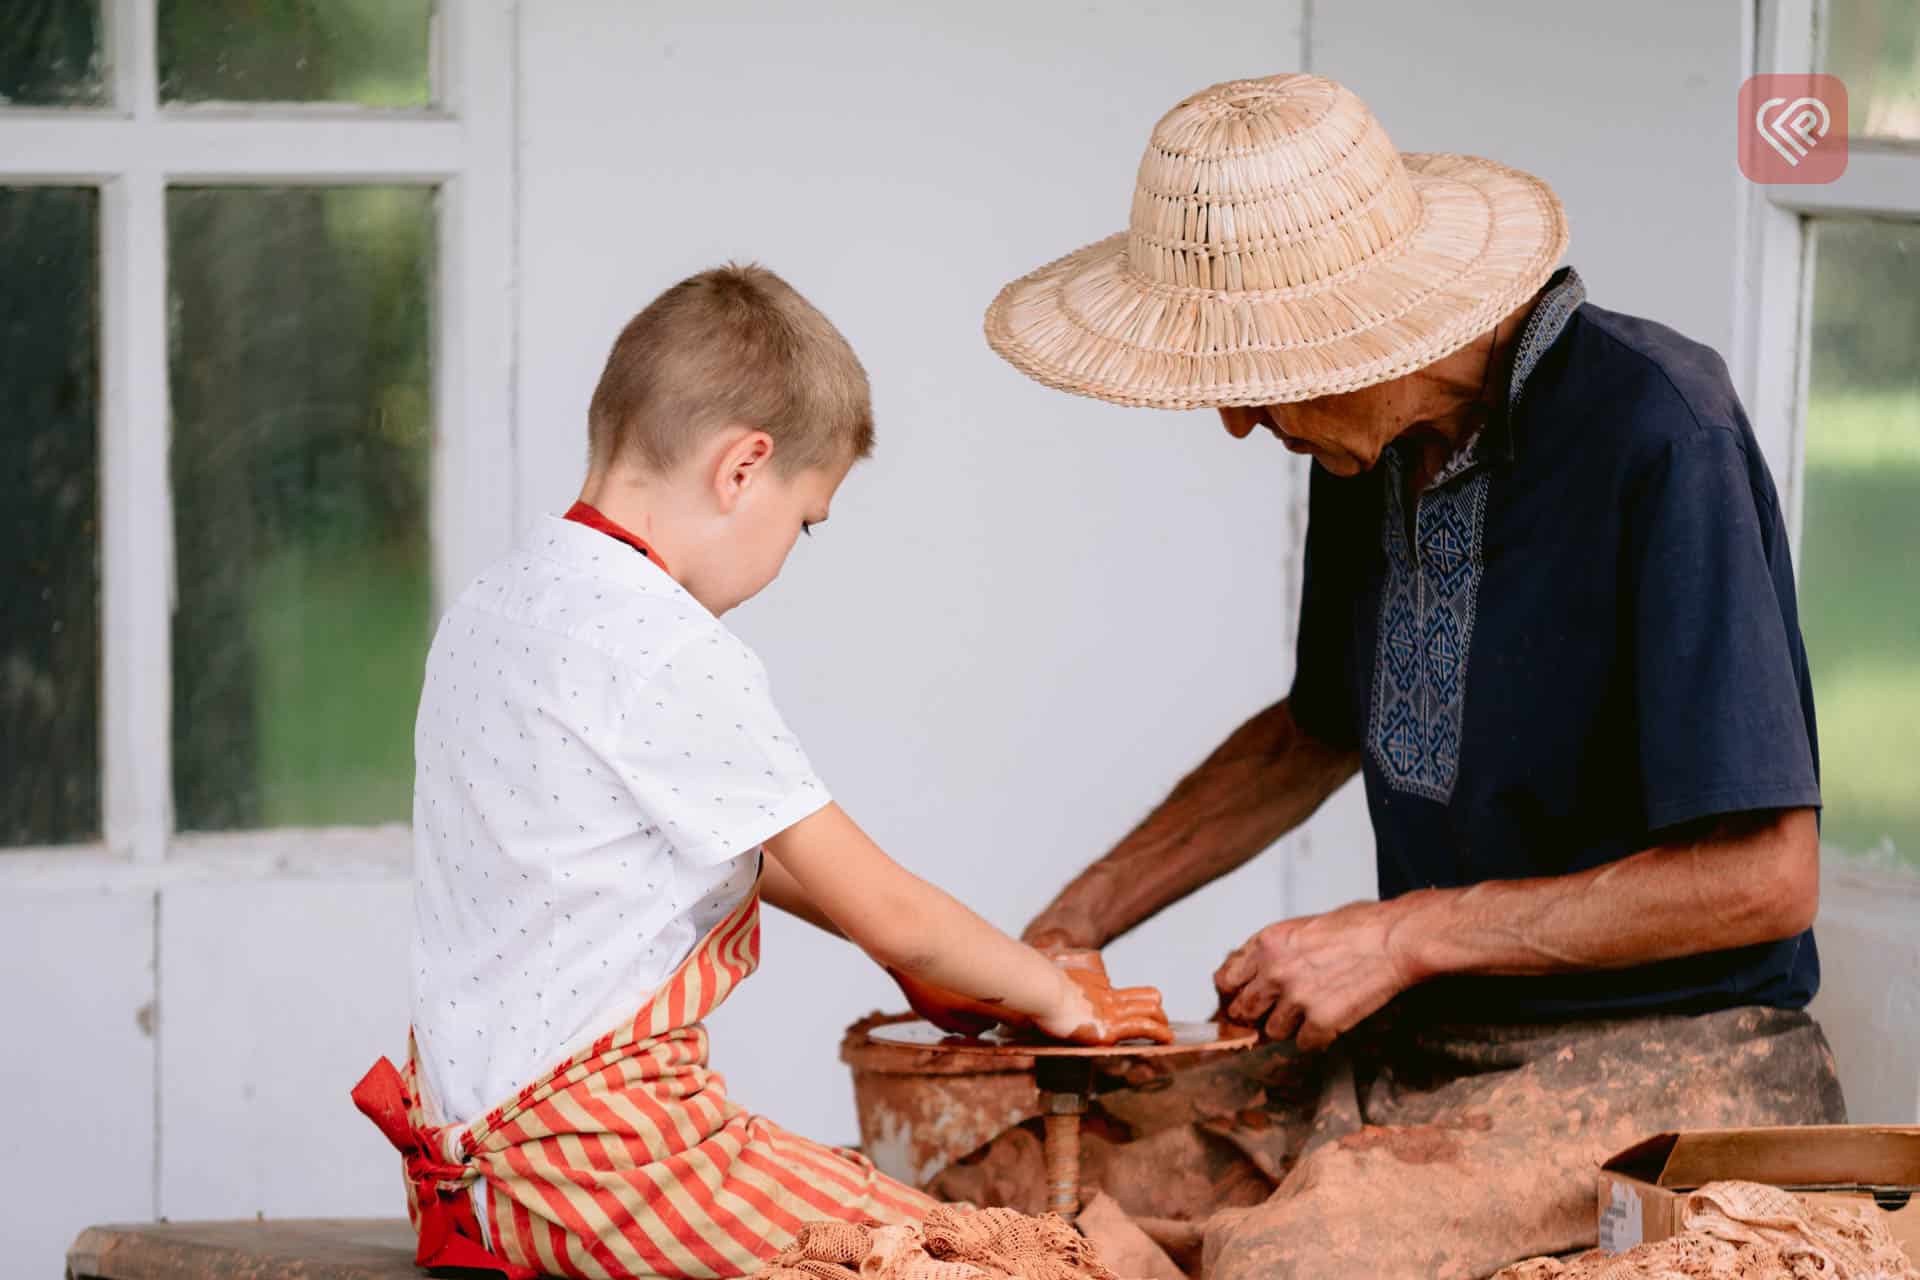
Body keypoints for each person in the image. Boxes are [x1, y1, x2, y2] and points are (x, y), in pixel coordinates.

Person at [945, 73, 1847, 1280]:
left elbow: (1768, 880)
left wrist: (1406, 934)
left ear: (1369, 328)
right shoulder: (1364, 451)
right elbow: (1321, 725)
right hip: (1419, 1045)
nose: (1234, 419)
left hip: (1688, 1052)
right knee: (990, 1191)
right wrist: (1071, 922)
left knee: (1290, 1261)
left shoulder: (1664, 430)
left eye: (1257, 375)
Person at [353, 264, 1170, 1280]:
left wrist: (918, 969)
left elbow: (724, 847)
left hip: (470, 1164)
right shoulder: (665, 643)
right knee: (1019, 1264)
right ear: (744, 467)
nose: (793, 551)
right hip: (608, 1167)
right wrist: (1057, 996)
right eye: (806, 521)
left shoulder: (501, 605)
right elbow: (892, 908)